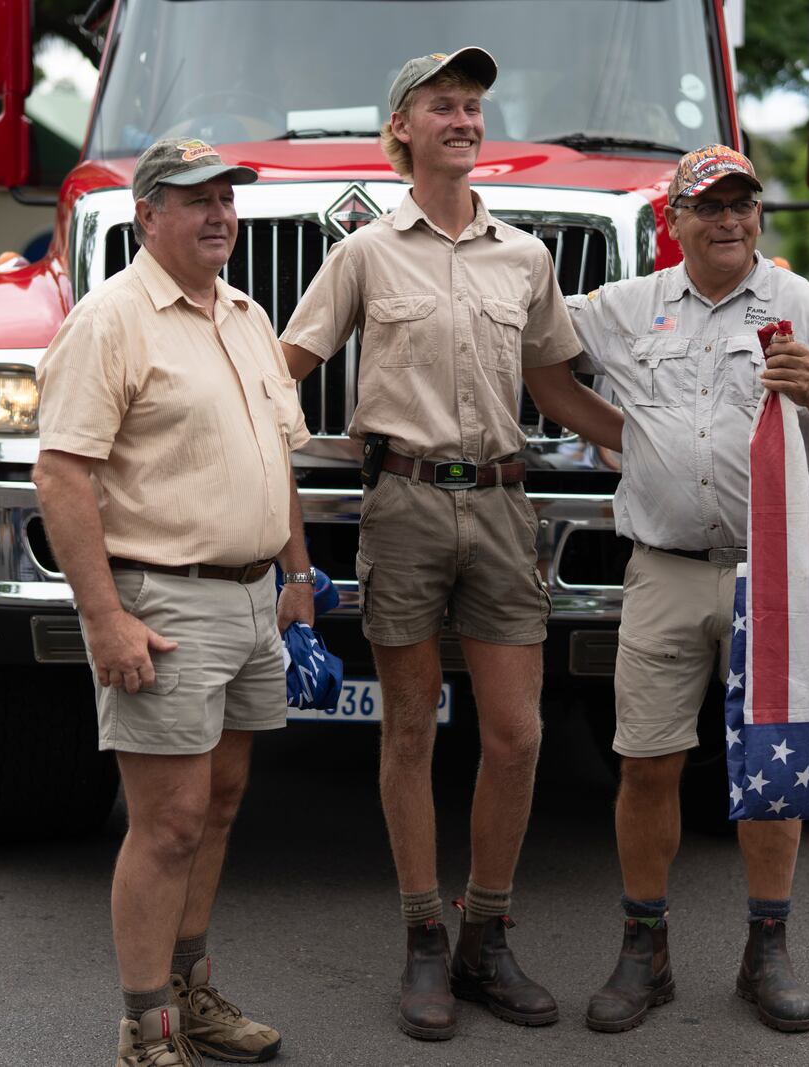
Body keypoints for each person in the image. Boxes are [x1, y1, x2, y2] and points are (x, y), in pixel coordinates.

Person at [280, 47, 619, 1042]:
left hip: (507, 507)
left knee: (517, 732)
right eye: (443, 106)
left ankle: (486, 932)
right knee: (410, 729)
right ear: (403, 131)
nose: (464, 119)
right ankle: (423, 935)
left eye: (472, 106)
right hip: (403, 503)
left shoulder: (525, 256)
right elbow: (285, 366)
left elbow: (557, 391)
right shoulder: (365, 254)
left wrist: (663, 442)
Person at [563, 144, 809, 1036]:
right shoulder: (625, 310)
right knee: (646, 762)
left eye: (744, 205)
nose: (730, 220)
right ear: (674, 221)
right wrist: (616, 432)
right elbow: (537, 353)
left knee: (773, 769)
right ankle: (644, 948)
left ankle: (767, 949)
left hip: (774, 571)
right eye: (710, 206)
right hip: (662, 570)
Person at [34, 137, 307, 1067]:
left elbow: (280, 456)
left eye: (226, 197)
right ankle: (144, 1027)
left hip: (251, 598)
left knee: (222, 803)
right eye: (195, 199)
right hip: (166, 601)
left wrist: (298, 575)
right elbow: (62, 474)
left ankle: (191, 995)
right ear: (147, 215)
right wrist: (104, 616)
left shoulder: (246, 314)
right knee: (169, 824)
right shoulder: (110, 320)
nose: (219, 214)